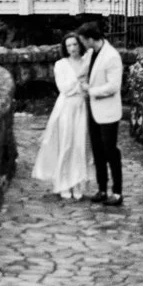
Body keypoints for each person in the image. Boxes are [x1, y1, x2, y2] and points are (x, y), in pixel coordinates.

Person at [31, 33, 93, 199]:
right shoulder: (61, 65)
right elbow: (64, 88)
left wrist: (83, 85)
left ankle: (77, 182)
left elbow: (89, 86)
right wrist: (79, 82)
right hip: (66, 107)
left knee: (80, 144)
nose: (72, 48)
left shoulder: (86, 62)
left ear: (79, 45)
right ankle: (63, 182)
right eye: (69, 46)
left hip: (80, 106)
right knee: (66, 143)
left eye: (75, 44)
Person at [77, 21, 123, 206]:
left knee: (110, 151)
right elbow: (81, 73)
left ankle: (118, 192)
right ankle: (102, 188)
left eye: (82, 40)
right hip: (93, 110)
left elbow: (113, 86)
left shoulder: (111, 56)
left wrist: (91, 90)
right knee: (97, 151)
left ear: (90, 39)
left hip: (108, 111)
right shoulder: (91, 54)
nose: (81, 44)